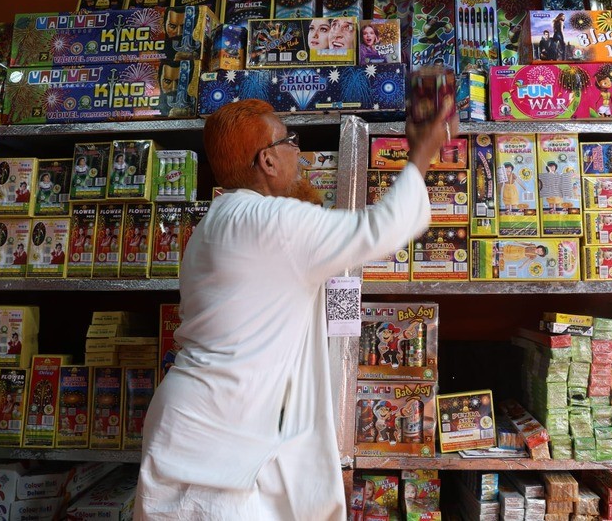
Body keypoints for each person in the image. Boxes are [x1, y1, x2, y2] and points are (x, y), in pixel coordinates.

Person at [135, 98, 458, 520]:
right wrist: (422, 152)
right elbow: (382, 227)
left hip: (207, 426)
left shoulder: (221, 221)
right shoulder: (269, 222)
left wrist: (304, 200)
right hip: (216, 440)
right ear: (267, 160)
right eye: (291, 142)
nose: (300, 153)